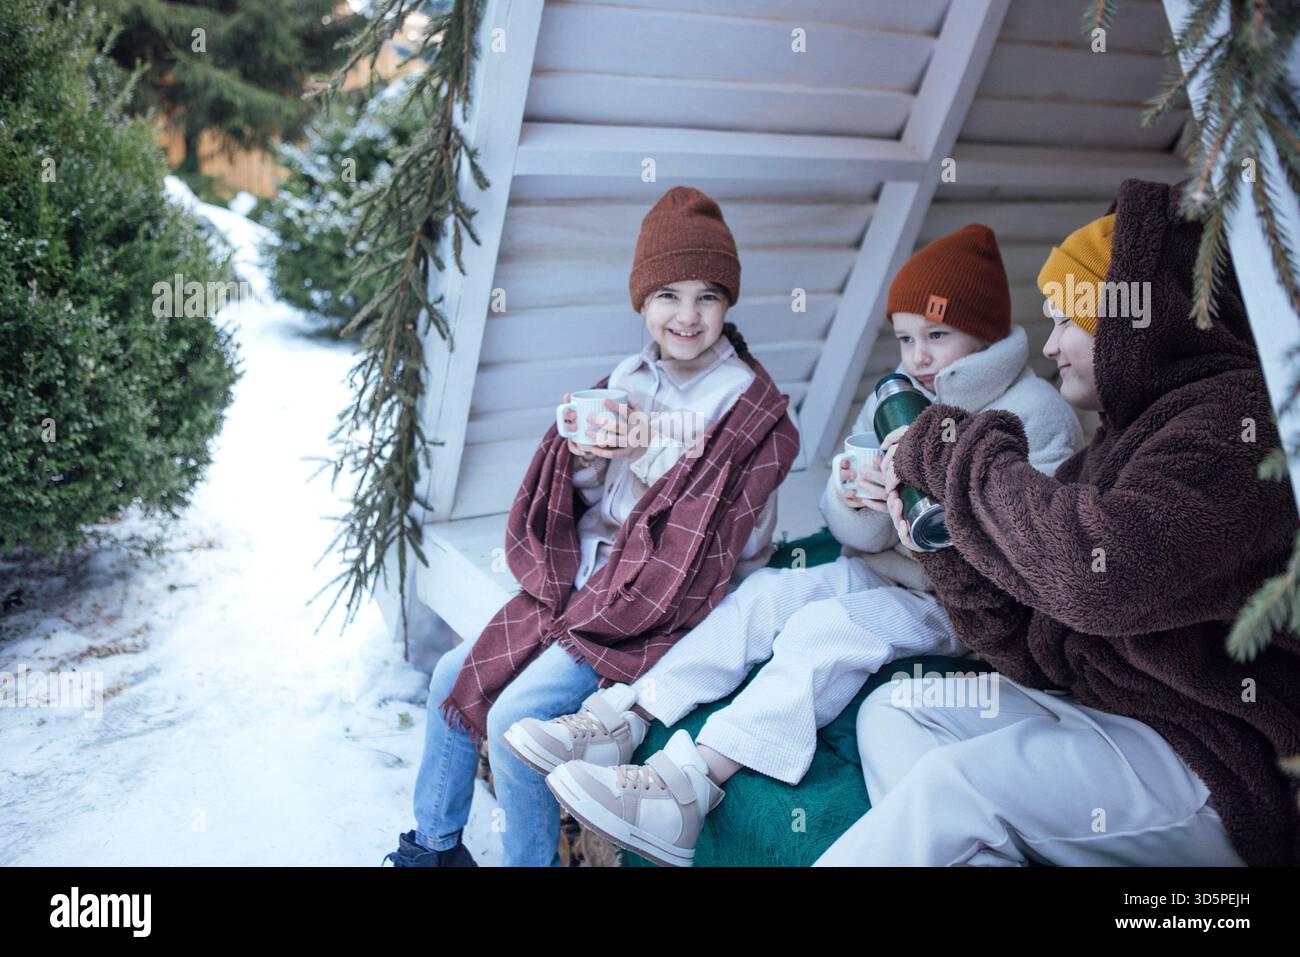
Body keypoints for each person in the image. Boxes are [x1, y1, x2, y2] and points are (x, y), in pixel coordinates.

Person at [509, 225, 1083, 867]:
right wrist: (857, 498)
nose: (918, 357)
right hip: (875, 568)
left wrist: (921, 508)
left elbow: (1028, 556)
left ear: (984, 330)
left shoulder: (1035, 414)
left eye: (938, 336)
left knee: (828, 631)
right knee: (763, 595)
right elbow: (854, 531)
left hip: (958, 605)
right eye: (905, 338)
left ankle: (690, 786)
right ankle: (629, 716)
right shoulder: (897, 393)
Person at [818, 178, 1300, 867]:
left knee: (951, 786)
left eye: (1065, 319)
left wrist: (962, 452)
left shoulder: (1236, 424)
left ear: (1132, 317)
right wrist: (950, 549)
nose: (1049, 346)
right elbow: (1027, 641)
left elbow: (1101, 574)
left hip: (1211, 755)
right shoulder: (1115, 441)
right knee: (893, 710)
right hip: (1111, 707)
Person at [383, 186, 799, 866]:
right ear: (642, 301)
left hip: (657, 609)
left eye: (707, 296)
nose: (687, 316)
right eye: (667, 295)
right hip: (581, 584)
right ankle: (432, 849)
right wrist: (582, 455)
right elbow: (586, 505)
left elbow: (725, 551)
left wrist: (652, 455)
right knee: (450, 679)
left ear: (728, 303)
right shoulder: (628, 378)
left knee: (517, 720)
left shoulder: (750, 412)